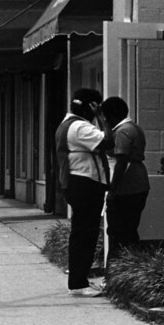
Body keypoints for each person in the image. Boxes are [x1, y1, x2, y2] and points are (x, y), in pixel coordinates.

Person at [56, 88, 113, 297]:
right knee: (85, 234)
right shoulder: (80, 127)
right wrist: (101, 118)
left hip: (76, 182)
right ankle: (79, 283)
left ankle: (79, 279)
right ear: (91, 106)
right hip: (85, 182)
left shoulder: (67, 124)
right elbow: (108, 141)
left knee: (82, 233)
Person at [102, 96, 150, 262]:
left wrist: (112, 190)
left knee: (117, 232)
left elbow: (121, 161)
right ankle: (131, 268)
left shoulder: (122, 132)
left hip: (126, 186)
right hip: (139, 183)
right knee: (129, 231)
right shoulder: (134, 128)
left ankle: (115, 272)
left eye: (106, 116)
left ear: (112, 116)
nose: (106, 120)